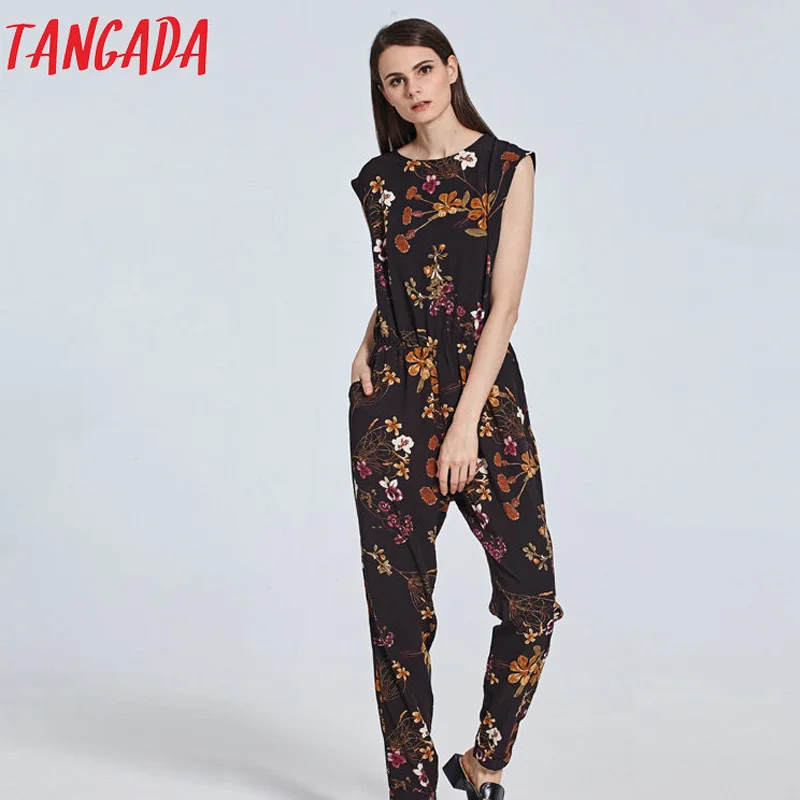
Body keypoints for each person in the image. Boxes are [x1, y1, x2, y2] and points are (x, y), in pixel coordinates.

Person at [347, 18, 565, 800]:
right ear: (384, 93)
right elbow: (400, 280)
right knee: (399, 615)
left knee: (532, 598)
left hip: (485, 395)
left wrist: (466, 421)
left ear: (452, 68)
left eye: (423, 70)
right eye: (394, 80)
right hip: (392, 405)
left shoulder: (507, 167)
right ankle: (411, 788)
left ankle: (485, 761)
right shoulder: (379, 180)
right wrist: (366, 342)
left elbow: (502, 305)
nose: (412, 89)